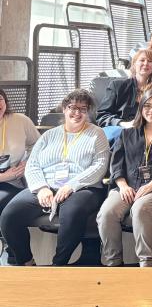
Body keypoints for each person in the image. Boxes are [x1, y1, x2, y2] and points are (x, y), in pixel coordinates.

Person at [0, 90, 108, 266]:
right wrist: (41, 187)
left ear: (88, 112)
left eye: (83, 108)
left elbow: (100, 165)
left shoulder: (97, 134)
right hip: (46, 186)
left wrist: (72, 185)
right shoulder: (50, 135)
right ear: (64, 109)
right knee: (9, 216)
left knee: (71, 212)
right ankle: (25, 262)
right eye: (73, 107)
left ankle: (58, 265)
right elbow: (33, 163)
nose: (77, 113)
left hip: (83, 188)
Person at [97, 89, 152, 267]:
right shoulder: (127, 133)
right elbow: (116, 165)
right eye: (147, 105)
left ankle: (146, 262)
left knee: (140, 208)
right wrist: (123, 186)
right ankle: (112, 263)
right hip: (126, 186)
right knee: (106, 213)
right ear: (141, 108)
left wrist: (150, 186)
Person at [97, 49, 152, 142]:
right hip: (119, 131)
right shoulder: (117, 85)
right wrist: (123, 123)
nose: (146, 63)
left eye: (150, 61)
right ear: (134, 64)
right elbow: (102, 116)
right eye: (142, 60)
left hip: (146, 132)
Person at [0, 89, 39, 224]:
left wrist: (28, 162)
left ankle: (7, 243)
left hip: (13, 183)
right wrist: (4, 176)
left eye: (0, 99)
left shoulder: (20, 120)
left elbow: (38, 146)